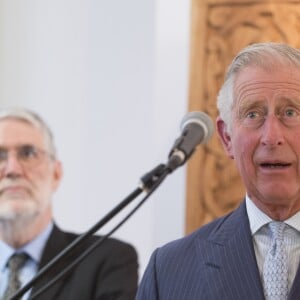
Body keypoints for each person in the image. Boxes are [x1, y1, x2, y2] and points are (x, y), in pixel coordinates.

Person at [136, 42, 300, 300]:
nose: (272, 136)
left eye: (290, 112)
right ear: (226, 137)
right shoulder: (168, 272)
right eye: (253, 114)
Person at [0, 108, 138, 300]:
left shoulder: (106, 260)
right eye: (0, 155)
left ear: (56, 174)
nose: (12, 169)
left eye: (28, 153)